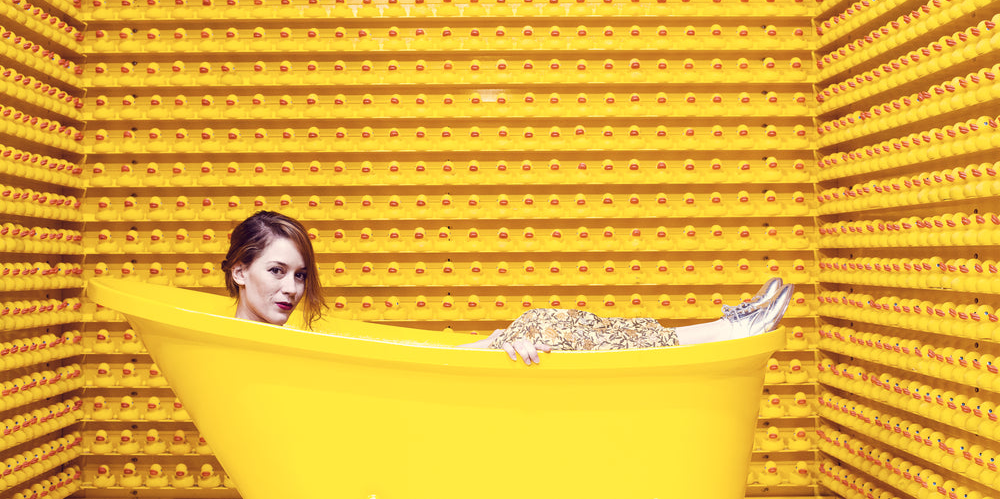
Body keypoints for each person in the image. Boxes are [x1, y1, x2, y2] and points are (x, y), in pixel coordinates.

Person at [223, 211, 792, 365]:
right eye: (277, 271)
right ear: (238, 271)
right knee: (543, 326)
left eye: (300, 274)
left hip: (417, 379)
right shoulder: (254, 349)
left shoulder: (275, 340)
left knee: (539, 325)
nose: (293, 287)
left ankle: (723, 328)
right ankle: (724, 328)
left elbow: (386, 356)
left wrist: (491, 345)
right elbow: (380, 366)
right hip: (409, 402)